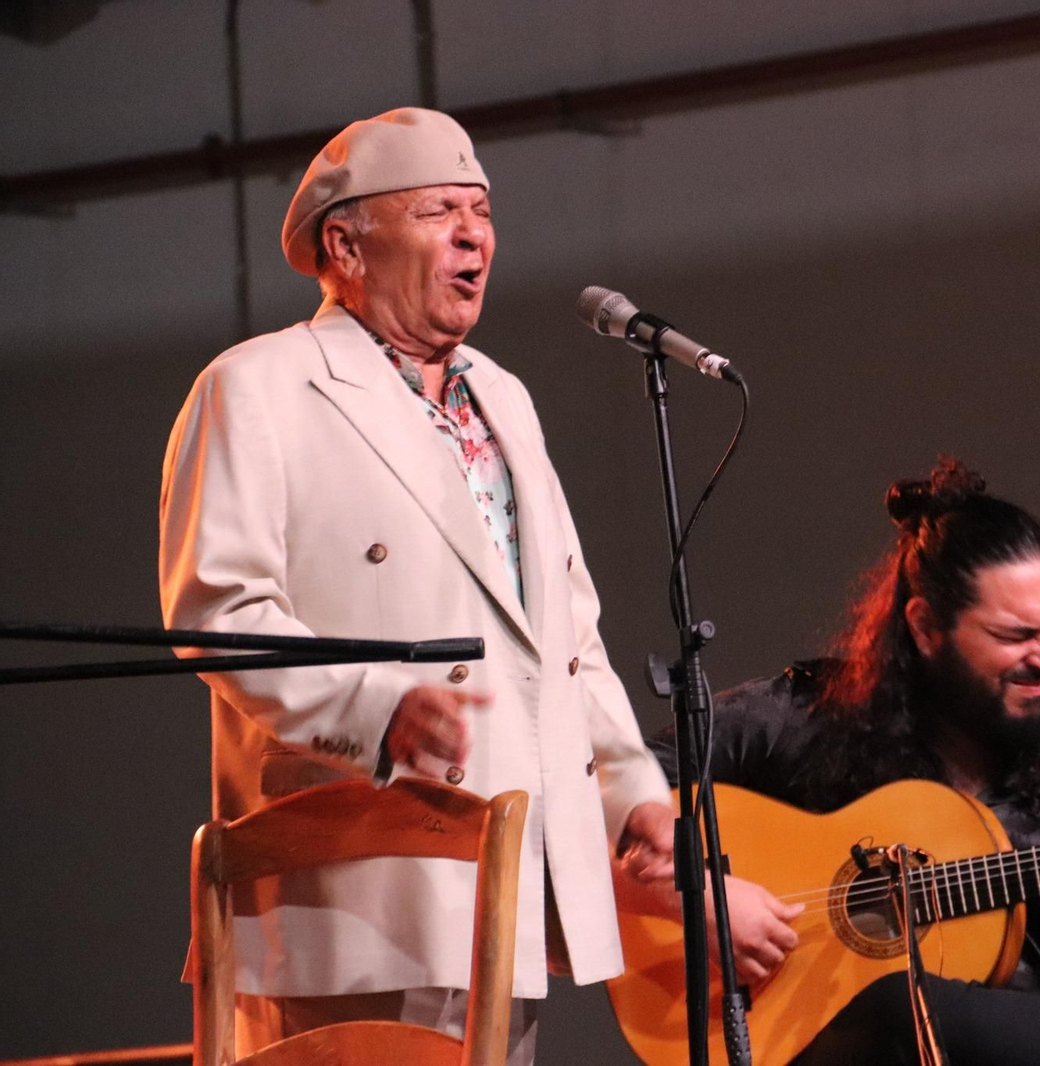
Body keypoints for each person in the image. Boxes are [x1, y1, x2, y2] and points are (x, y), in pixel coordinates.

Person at [159, 107, 674, 1064]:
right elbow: (218, 614)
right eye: (440, 210)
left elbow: (565, 630)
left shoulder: (503, 395)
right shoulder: (257, 387)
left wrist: (631, 791)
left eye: (481, 212)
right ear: (345, 245)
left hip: (501, 888)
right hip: (350, 890)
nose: (475, 233)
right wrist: (375, 708)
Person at [644, 458, 1040, 1065]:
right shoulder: (811, 717)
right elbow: (618, 783)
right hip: (807, 1044)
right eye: (1017, 636)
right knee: (903, 1000)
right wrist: (699, 898)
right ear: (926, 628)